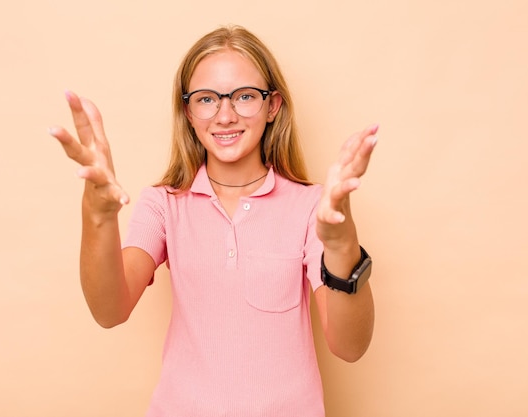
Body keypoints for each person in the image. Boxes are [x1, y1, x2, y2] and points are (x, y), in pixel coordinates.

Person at [50, 25, 377, 417]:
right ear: (188, 111)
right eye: (207, 99)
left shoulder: (311, 207)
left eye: (244, 97)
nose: (225, 115)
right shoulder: (163, 205)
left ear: (273, 106)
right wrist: (97, 215)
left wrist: (342, 246)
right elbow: (109, 310)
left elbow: (350, 346)